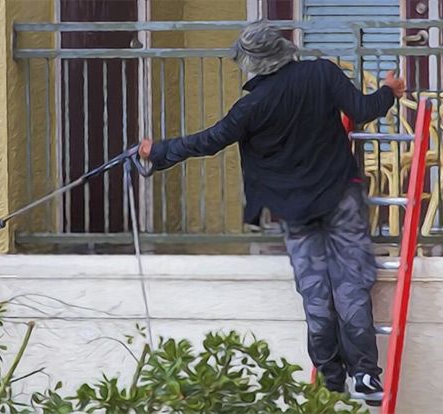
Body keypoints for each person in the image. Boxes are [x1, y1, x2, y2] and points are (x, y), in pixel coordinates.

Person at [138, 21, 405, 405]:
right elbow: (362, 109)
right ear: (284, 49)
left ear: (251, 63)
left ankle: (331, 379)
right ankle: (365, 374)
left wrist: (157, 152)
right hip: (340, 195)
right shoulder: (322, 72)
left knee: (315, 294)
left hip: (294, 210)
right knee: (350, 286)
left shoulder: (251, 106)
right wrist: (389, 91)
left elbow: (208, 141)